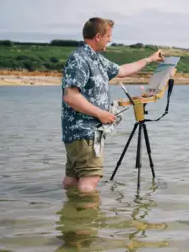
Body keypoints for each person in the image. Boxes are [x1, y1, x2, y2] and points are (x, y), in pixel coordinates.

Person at [61, 17, 164, 193]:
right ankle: (88, 218)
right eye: (109, 36)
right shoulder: (80, 59)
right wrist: (101, 114)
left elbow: (122, 71)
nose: (110, 39)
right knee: (90, 180)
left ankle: (71, 215)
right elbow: (70, 96)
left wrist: (150, 59)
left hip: (82, 133)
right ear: (98, 36)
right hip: (85, 131)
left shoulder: (96, 59)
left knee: (73, 179)